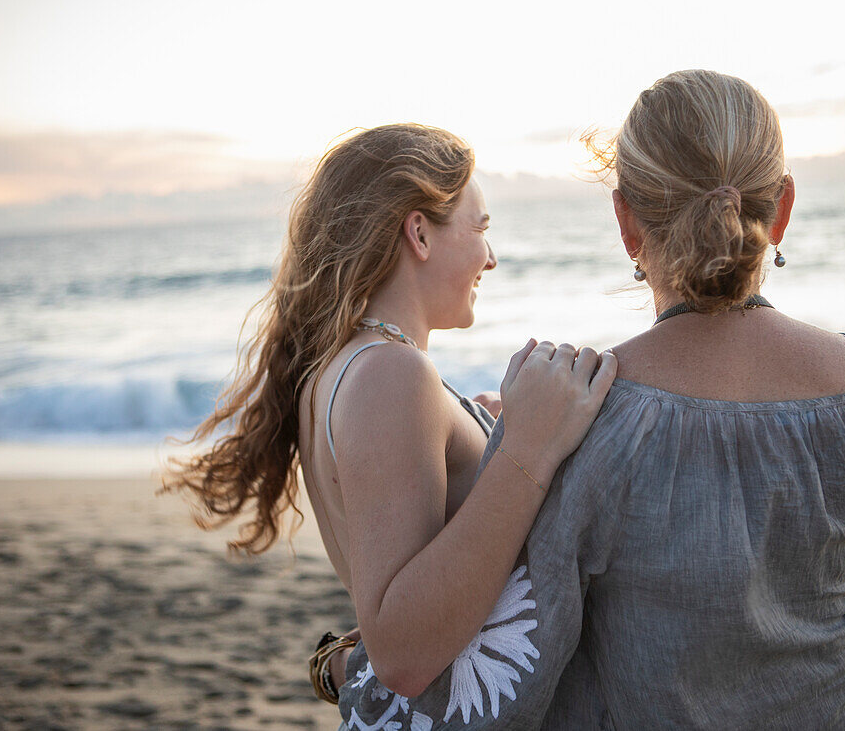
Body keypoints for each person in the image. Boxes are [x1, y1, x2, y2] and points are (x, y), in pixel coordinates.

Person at [337, 70, 845, 730]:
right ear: (780, 208)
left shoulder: (583, 414)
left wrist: (342, 667)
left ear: (626, 222)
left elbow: (520, 671)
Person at [162, 123, 617, 708]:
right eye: (480, 229)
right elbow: (401, 650)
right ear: (420, 234)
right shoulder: (390, 376)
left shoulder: (343, 368)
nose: (493, 258)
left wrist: (475, 429)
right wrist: (528, 448)